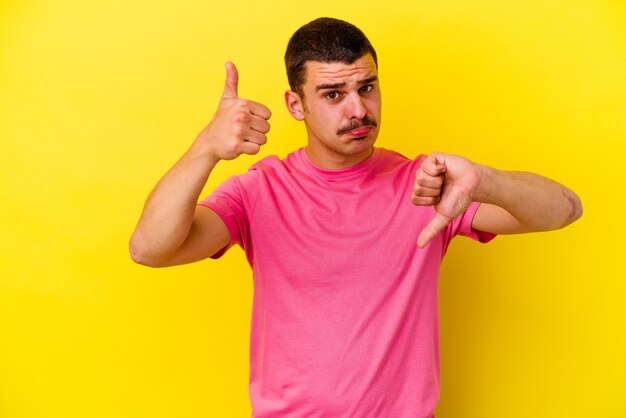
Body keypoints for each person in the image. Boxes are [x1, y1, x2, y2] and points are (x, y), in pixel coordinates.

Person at [130, 17, 582, 418]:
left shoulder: (425, 184)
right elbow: (149, 249)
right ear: (295, 105)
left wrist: (485, 181)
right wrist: (206, 148)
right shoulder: (260, 190)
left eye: (366, 87)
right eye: (333, 94)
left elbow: (566, 209)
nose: (359, 110)